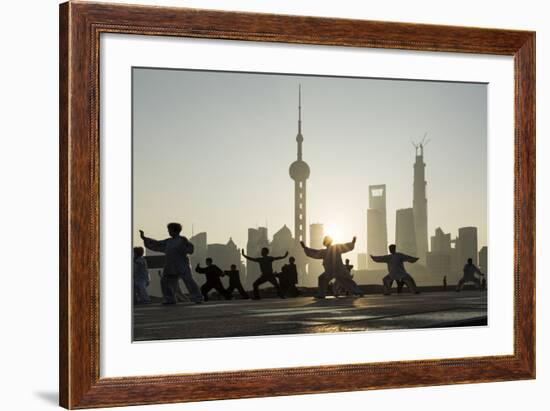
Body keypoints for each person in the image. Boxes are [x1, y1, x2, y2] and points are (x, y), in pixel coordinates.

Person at [140, 223, 203, 305]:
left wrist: (186, 248)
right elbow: (157, 243)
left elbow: (190, 249)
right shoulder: (168, 241)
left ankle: (197, 297)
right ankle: (170, 299)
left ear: (175, 231)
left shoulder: (182, 240)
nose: (168, 232)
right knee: (165, 281)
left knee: (189, 281)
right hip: (170, 265)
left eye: (169, 230)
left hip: (182, 265)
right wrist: (145, 238)